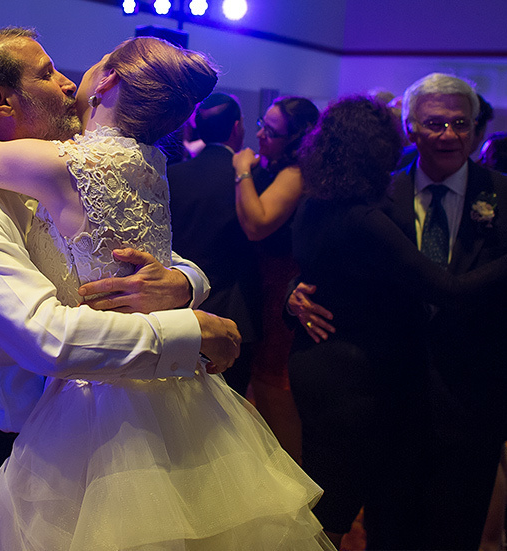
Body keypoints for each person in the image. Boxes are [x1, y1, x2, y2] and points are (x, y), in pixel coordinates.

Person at [0, 34, 332, 549]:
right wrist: (192, 327)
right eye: (47, 74)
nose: (68, 84)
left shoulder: (66, 162)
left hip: (112, 421)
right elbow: (50, 338)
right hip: (26, 439)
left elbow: (155, 257)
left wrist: (183, 283)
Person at [290, 74, 507, 549]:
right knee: (386, 525)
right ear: (409, 129)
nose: (449, 133)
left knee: (457, 528)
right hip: (384, 391)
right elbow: (325, 265)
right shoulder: (377, 195)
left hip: (471, 393)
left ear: (475, 129)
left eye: (460, 123)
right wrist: (294, 293)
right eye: (435, 123)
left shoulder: (504, 196)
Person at [231, 96, 319, 460]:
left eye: (272, 130)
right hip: (262, 289)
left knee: (275, 389)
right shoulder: (276, 166)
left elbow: (256, 224)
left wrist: (242, 169)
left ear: (297, 139)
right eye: (261, 124)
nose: (261, 134)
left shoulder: (296, 173)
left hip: (281, 292)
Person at [167, 93, 262, 396]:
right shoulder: (251, 179)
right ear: (237, 127)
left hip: (182, 311)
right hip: (237, 310)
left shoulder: (171, 175)